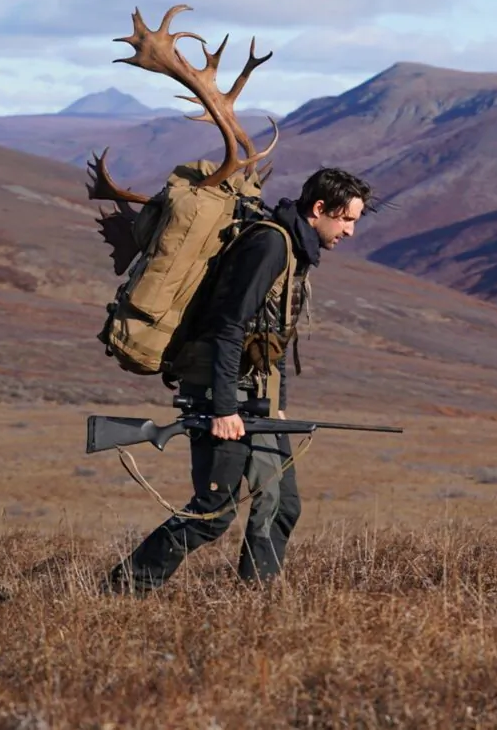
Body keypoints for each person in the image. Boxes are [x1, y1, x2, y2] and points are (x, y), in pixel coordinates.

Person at [105, 167, 374, 594]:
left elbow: (272, 334)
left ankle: (257, 601)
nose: (351, 231)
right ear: (320, 209)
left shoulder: (293, 249)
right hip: (224, 393)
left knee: (281, 503)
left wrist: (277, 399)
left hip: (255, 396)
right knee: (214, 511)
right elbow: (227, 328)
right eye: (347, 219)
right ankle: (121, 590)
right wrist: (224, 409)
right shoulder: (270, 244)